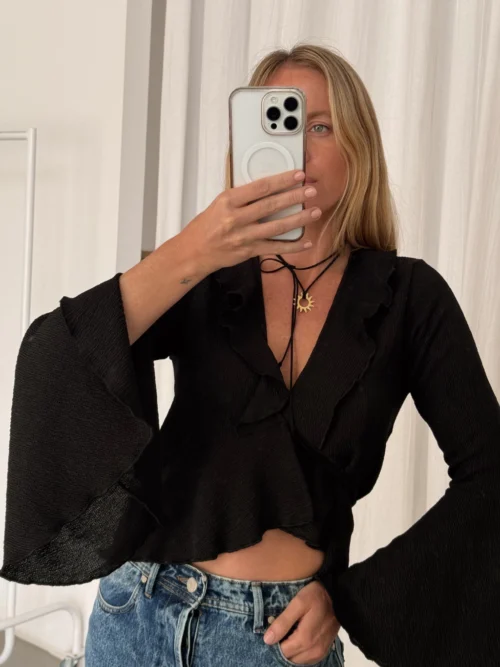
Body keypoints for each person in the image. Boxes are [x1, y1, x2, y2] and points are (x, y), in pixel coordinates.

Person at [1, 44, 499, 667]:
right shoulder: (206, 273)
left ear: (359, 146)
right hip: (138, 613)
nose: (299, 149)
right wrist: (196, 248)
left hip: (275, 639)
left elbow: (489, 472)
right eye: (278, 125)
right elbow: (58, 355)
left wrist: (353, 601)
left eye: (320, 126)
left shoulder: (408, 297)